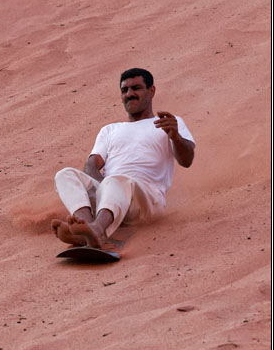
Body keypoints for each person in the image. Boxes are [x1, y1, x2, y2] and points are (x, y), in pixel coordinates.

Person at [51, 67, 195, 249]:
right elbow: (91, 165)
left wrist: (175, 137)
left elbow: (187, 160)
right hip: (110, 197)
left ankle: (97, 229)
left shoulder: (169, 124)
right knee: (65, 175)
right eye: (124, 90)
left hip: (146, 201)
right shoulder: (110, 130)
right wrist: (104, 188)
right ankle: (86, 229)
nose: (129, 94)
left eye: (136, 88)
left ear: (151, 91)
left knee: (116, 180)